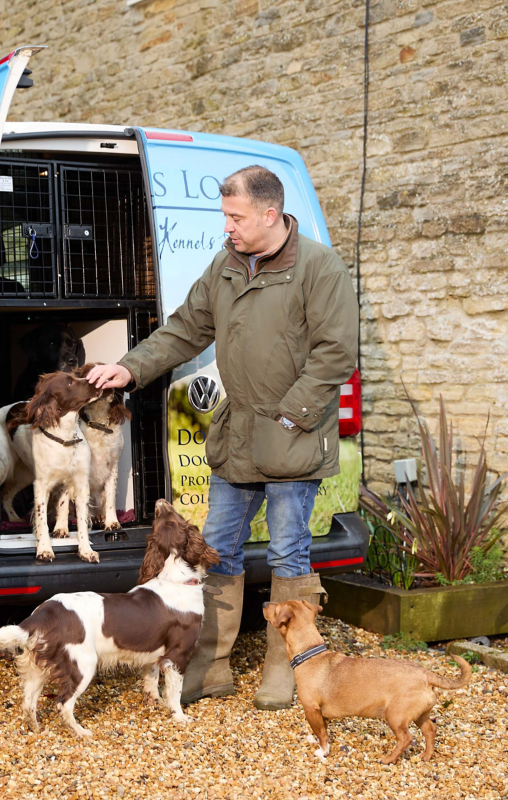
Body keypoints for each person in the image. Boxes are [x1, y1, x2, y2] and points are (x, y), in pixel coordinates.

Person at [87, 165, 358, 709]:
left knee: (288, 553)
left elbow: (336, 353)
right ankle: (209, 666)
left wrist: (290, 416)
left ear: (269, 214)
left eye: (236, 218)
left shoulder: (319, 267)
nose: (228, 228)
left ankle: (289, 670)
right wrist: (131, 368)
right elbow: (186, 327)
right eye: (225, 217)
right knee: (217, 549)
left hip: (294, 435)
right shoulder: (226, 265)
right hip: (238, 437)